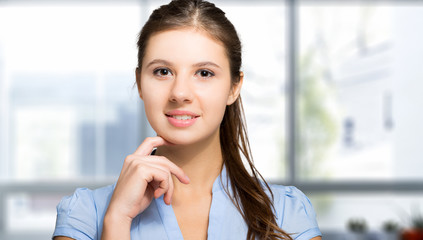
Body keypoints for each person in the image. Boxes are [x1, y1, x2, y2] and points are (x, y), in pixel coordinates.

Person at [53, 0, 322, 239]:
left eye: (204, 73)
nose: (180, 93)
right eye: (162, 71)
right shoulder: (87, 215)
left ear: (234, 87)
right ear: (139, 83)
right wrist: (117, 220)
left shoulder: (286, 214)